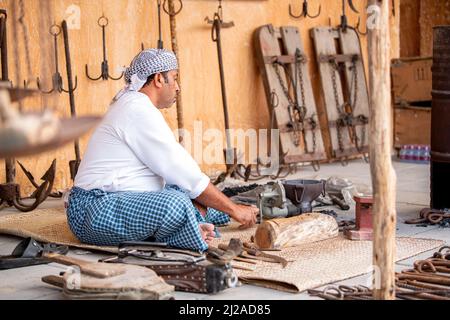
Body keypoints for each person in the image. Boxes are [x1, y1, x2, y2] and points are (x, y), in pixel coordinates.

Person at [67, 49, 258, 252]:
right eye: (174, 78)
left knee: (185, 193)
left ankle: (198, 221)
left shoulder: (136, 105)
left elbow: (181, 178)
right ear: (159, 79)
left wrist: (223, 205)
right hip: (93, 211)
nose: (177, 87)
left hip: (123, 203)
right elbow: (181, 170)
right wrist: (234, 209)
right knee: (175, 203)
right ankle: (193, 225)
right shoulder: (136, 109)